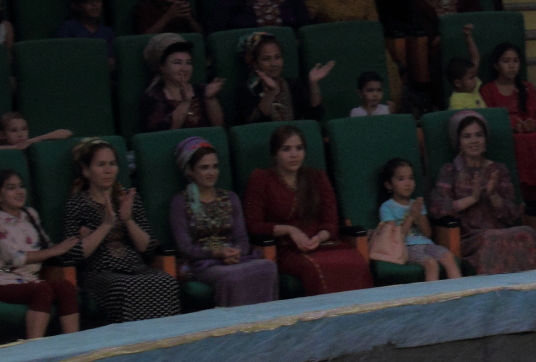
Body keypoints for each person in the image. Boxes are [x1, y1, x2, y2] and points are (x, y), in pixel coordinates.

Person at [63, 137, 181, 322]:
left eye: (112, 164)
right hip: (99, 274)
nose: (108, 170)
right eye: (101, 164)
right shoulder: (77, 204)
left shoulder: (128, 198)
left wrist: (128, 220)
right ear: (86, 171)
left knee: (165, 282)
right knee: (124, 287)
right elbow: (73, 255)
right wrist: (105, 225)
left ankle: (165, 345)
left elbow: (148, 249)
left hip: (136, 268)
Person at [245, 125, 372, 295]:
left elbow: (331, 223)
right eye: (286, 149)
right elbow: (254, 225)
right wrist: (290, 230)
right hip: (286, 248)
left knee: (356, 262)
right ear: (275, 153)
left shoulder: (317, 177)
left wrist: (319, 238)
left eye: (299, 148)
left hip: (321, 242)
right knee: (315, 268)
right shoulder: (261, 179)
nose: (294, 155)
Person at [429, 111, 536, 275]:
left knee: (527, 233)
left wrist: (493, 196)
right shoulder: (450, 170)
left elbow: (512, 214)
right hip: (469, 238)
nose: (474, 141)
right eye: (467, 136)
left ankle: (532, 293)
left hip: (500, 232)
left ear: (485, 140)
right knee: (492, 239)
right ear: (459, 142)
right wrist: (472, 199)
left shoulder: (498, 169)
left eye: (478, 135)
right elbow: (437, 208)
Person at [169, 137, 279, 307]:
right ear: (190, 171)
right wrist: (216, 253)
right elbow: (185, 247)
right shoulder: (180, 203)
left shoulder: (230, 198)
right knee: (231, 277)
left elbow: (242, 238)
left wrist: (236, 253)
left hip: (235, 259)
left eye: (215, 166)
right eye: (204, 168)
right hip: (203, 264)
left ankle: (265, 322)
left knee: (268, 268)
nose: (211, 173)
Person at [481, 42, 536, 213]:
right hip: (504, 134)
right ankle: (520, 197)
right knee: (520, 142)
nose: (511, 66)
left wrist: (529, 124)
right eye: (506, 61)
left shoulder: (527, 88)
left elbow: (532, 115)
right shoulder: (487, 90)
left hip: (527, 133)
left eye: (515, 61)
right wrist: (513, 126)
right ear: (496, 65)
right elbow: (490, 117)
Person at [0, 168, 79, 338]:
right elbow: (16, 258)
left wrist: (78, 238)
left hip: (32, 280)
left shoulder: (30, 214)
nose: (19, 191)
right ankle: (35, 348)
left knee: (66, 287)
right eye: (11, 188)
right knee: (42, 289)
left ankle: (74, 344)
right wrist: (53, 250)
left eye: (21, 186)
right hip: (5, 280)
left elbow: (48, 246)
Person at [377, 158, 461, 281]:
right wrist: (411, 216)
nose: (408, 183)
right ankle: (433, 300)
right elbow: (395, 238)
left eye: (411, 178)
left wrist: (419, 215)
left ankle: (459, 295)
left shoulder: (416, 204)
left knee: (448, 256)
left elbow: (427, 233)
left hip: (426, 244)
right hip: (406, 247)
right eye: (401, 179)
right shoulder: (387, 207)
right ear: (389, 185)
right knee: (430, 263)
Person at [136, 33, 225, 132]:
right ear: (161, 66)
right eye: (177, 63)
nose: (185, 69)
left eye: (188, 63)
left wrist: (210, 98)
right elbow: (162, 136)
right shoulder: (153, 96)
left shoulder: (201, 90)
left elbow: (218, 128)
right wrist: (185, 103)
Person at [446, 26, 484, 110]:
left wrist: (468, 37)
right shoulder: (456, 101)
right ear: (458, 83)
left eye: (474, 76)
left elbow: (476, 58)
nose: (475, 80)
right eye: (471, 78)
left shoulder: (473, 89)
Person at [0, 113, 69, 151]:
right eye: (13, 130)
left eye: (24, 129)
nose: (20, 134)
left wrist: (32, 141)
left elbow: (67, 133)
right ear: (2, 135)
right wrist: (16, 147)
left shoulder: (31, 144)